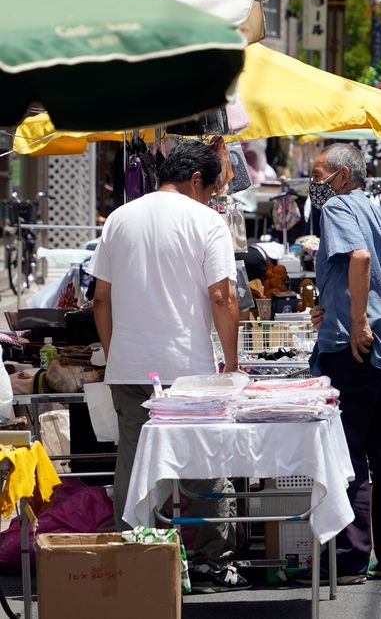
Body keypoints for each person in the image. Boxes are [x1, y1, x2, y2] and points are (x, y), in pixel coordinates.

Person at [92, 140, 246, 588]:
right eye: (212, 190)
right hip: (188, 372)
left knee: (135, 464)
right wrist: (232, 364)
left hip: (130, 368)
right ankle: (213, 561)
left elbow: (100, 298)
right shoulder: (207, 221)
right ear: (196, 180)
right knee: (202, 462)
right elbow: (223, 296)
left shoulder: (119, 217)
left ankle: (136, 558)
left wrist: (116, 354)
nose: (213, 199)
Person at [308, 143, 381, 584]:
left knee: (348, 452)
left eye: (318, 175)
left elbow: (359, 257)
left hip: (357, 347)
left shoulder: (337, 208)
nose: (314, 184)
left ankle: (350, 558)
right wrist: (334, 306)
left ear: (341, 176)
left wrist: (356, 322)